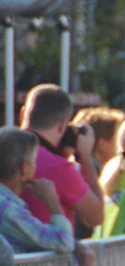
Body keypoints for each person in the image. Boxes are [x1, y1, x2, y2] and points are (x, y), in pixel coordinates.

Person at [17, 84, 103, 235]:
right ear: (63, 123)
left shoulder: (6, 148)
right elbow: (95, 216)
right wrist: (86, 157)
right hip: (44, 253)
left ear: (23, 114)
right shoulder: (59, 168)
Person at [0, 127, 77, 257]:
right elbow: (63, 242)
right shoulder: (9, 210)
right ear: (24, 169)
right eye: (34, 161)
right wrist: (52, 201)